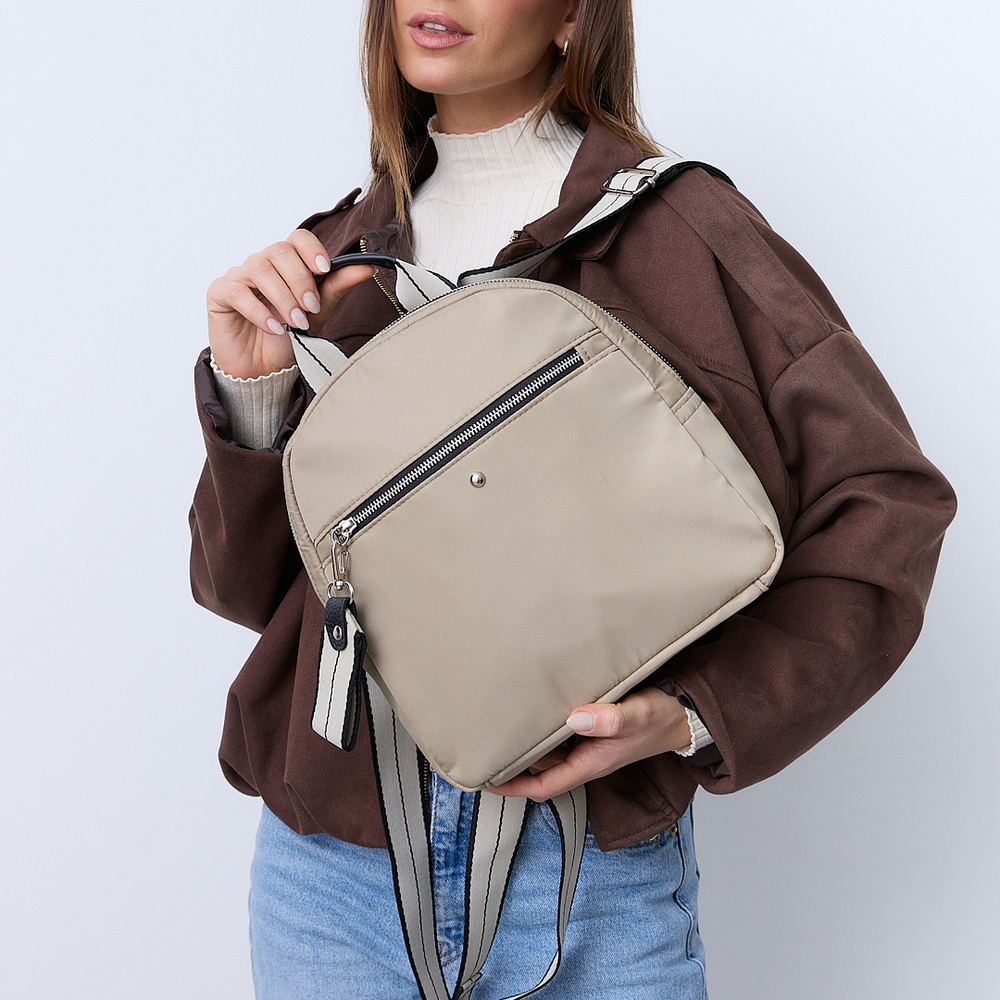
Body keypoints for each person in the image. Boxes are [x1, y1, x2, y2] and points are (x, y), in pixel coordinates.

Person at [189, 1, 957, 997]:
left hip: (592, 872)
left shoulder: (684, 230)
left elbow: (887, 502)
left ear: (571, 16)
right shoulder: (327, 262)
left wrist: (694, 714)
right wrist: (251, 390)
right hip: (331, 875)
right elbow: (253, 595)